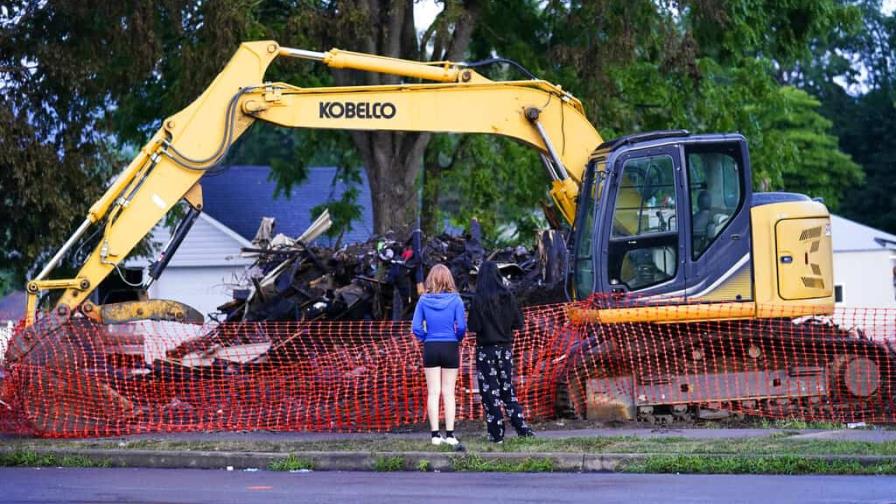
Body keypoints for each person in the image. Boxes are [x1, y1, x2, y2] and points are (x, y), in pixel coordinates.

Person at [468, 261, 534, 443]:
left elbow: (473, 326)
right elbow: (518, 323)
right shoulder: (508, 296)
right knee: (507, 390)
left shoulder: (478, 299)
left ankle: (496, 434)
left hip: (485, 351)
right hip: (504, 350)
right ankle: (522, 429)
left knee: (490, 394)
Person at [412, 264, 466, 446]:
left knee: (433, 392)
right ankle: (450, 435)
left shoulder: (423, 300)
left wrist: (426, 338)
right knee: (449, 392)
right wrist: (456, 337)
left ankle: (435, 435)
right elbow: (462, 326)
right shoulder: (456, 300)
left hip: (431, 347)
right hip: (450, 345)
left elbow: (416, 327)